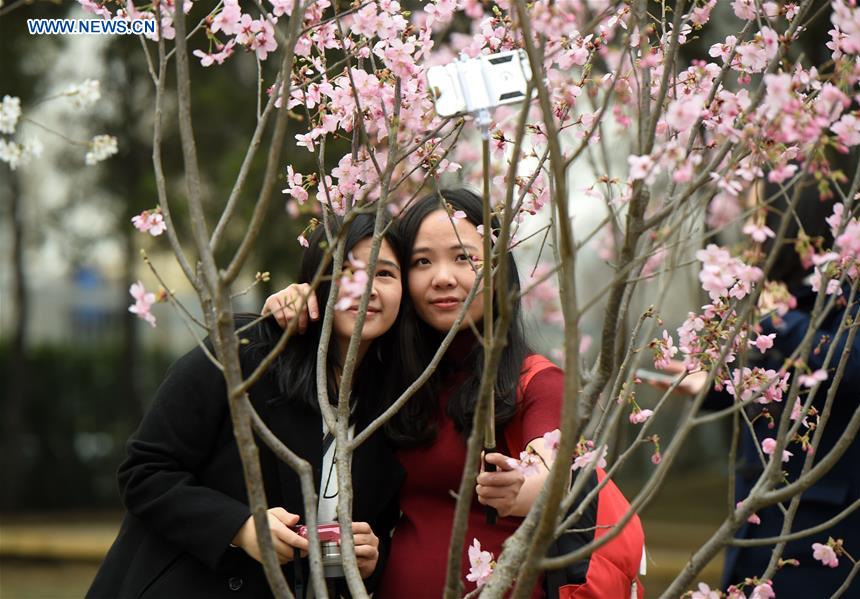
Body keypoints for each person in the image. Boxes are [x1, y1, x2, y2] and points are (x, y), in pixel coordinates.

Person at [88, 213, 407, 598]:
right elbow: (144, 471)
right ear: (313, 282)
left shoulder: (397, 401)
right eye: (345, 270)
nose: (366, 287)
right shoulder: (246, 354)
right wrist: (241, 527)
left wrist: (373, 560)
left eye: (385, 273)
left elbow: (381, 524)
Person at [264, 188, 564, 597]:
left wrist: (523, 488)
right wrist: (303, 297)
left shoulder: (535, 382)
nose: (443, 277)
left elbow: (555, 477)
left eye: (464, 257)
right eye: (422, 261)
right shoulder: (395, 379)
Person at [660, 184, 860, 598]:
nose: (753, 230)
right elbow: (779, 382)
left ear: (796, 214)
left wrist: (779, 317)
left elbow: (852, 364)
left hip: (834, 518)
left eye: (759, 215)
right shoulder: (785, 285)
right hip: (772, 507)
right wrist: (718, 385)